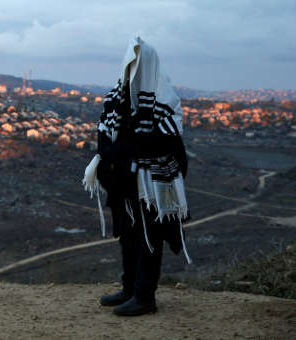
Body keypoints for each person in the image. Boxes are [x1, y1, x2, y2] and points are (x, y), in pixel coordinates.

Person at [83, 36, 191, 316]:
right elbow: (105, 134)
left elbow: (165, 141)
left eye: (139, 66)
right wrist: (114, 155)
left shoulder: (166, 100)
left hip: (154, 183)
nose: (134, 72)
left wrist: (121, 152)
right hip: (125, 181)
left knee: (150, 236)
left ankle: (145, 296)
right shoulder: (117, 98)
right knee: (128, 234)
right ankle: (129, 288)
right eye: (131, 66)